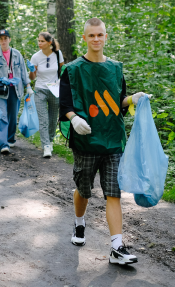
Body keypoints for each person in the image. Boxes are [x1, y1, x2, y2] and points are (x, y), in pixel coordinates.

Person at [59, 18, 151, 265]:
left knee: (114, 193)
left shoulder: (116, 68)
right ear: (84, 38)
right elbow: (65, 105)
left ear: (106, 37)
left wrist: (133, 98)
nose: (96, 39)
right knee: (84, 189)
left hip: (112, 140)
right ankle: (79, 223)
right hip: (86, 140)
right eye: (91, 36)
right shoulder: (72, 69)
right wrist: (74, 118)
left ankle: (116, 248)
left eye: (100, 35)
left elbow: (117, 101)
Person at [0, 29, 32, 154]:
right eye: (1, 39)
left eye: (6, 38)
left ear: (9, 39)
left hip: (15, 88)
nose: (3, 41)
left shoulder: (17, 54)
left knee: (12, 115)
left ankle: (10, 138)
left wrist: (28, 86)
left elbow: (23, 71)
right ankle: (3, 144)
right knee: (2, 115)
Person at [28, 32, 64, 158]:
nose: (39, 43)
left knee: (53, 120)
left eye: (42, 41)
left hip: (55, 90)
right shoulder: (36, 57)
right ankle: (46, 146)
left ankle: (50, 140)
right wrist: (32, 71)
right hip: (40, 89)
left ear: (49, 42)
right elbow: (32, 78)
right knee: (43, 120)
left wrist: (61, 83)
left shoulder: (58, 54)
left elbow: (62, 70)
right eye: (38, 41)